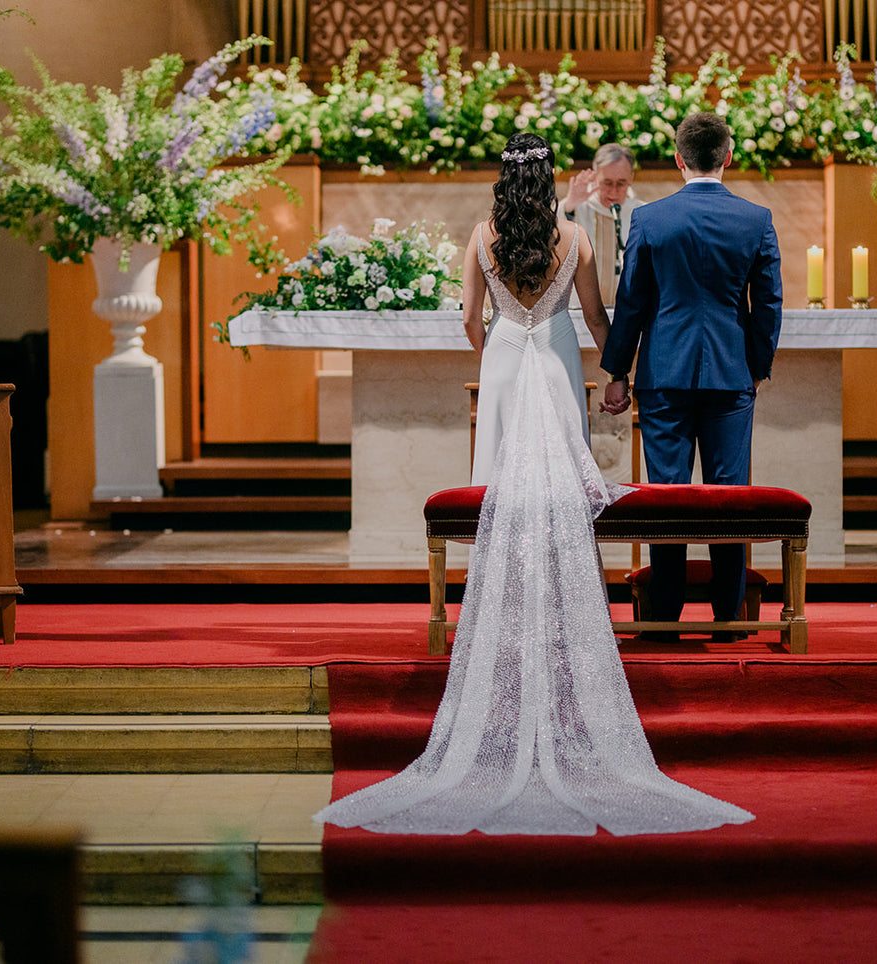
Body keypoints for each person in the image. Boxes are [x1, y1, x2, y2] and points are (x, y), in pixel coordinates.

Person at [314, 132, 753, 836]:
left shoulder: (481, 236)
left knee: (502, 495)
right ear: (550, 177)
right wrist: (613, 368)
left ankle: (506, 617)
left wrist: (494, 354)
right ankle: (560, 610)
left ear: (501, 178)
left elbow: (466, 317)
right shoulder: (573, 237)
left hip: (505, 364)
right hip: (551, 360)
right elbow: (598, 313)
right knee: (558, 497)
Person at [599, 113, 782, 643]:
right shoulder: (756, 218)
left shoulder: (651, 219)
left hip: (665, 373)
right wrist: (755, 365)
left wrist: (617, 371)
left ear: (679, 159)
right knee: (731, 494)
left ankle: (664, 619)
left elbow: (631, 302)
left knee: (668, 494)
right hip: (730, 374)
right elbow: (768, 302)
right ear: (728, 157)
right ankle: (729, 618)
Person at [561, 142, 643, 304]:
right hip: (583, 312)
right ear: (595, 177)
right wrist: (569, 205)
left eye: (621, 183)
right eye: (607, 183)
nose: (613, 191)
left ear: (631, 178)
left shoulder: (641, 213)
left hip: (628, 312)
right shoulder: (576, 209)